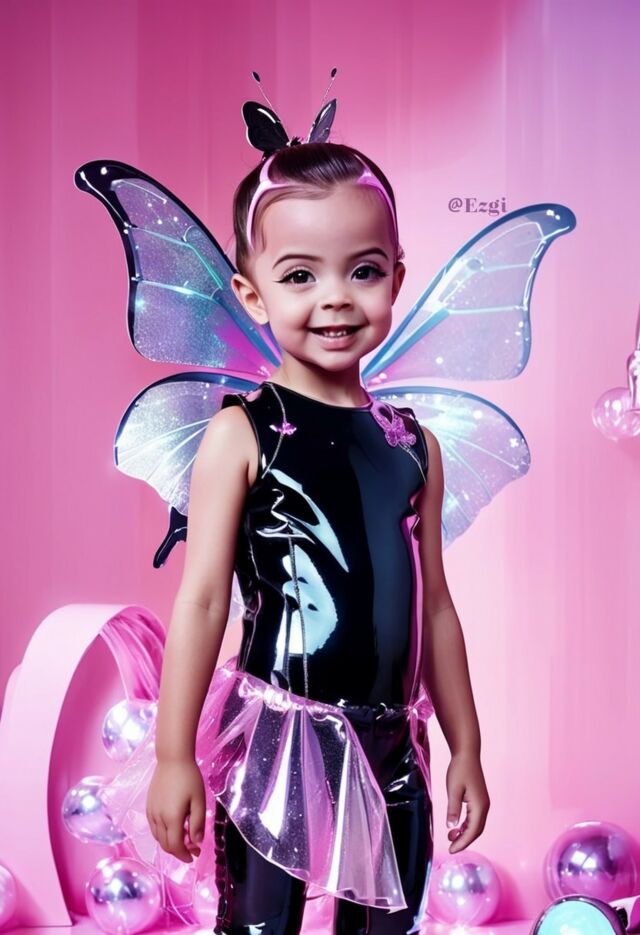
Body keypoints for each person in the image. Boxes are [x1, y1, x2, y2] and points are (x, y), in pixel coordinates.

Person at [145, 137, 490, 934]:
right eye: (301, 275)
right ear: (252, 293)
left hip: (391, 739)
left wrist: (466, 745)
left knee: (388, 919)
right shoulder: (244, 432)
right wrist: (174, 753)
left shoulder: (413, 443)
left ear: (396, 278)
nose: (335, 298)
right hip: (279, 731)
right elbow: (203, 601)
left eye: (362, 270)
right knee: (260, 920)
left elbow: (436, 606)